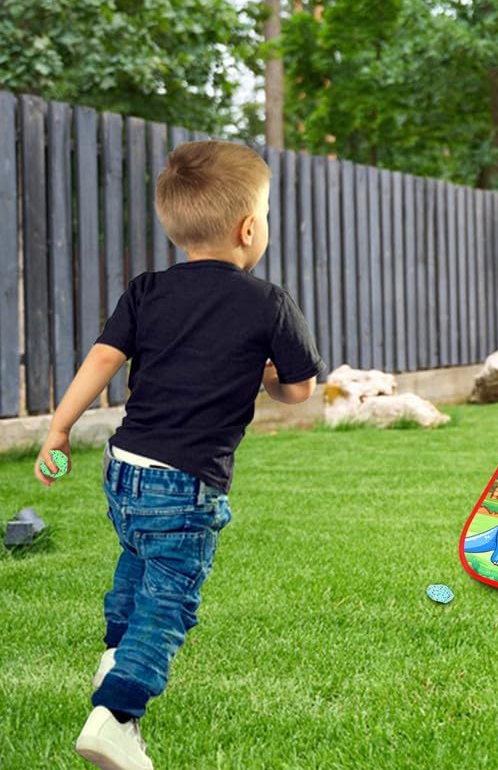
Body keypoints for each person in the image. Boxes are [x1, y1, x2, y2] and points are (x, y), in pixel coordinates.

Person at [34, 140, 325, 770]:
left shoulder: (148, 290)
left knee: (136, 565)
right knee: (170, 601)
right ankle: (116, 716)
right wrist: (266, 375)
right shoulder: (268, 303)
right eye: (265, 213)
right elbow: (298, 390)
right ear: (248, 228)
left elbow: (103, 359)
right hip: (185, 485)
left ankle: (116, 653)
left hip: (123, 469)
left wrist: (59, 428)